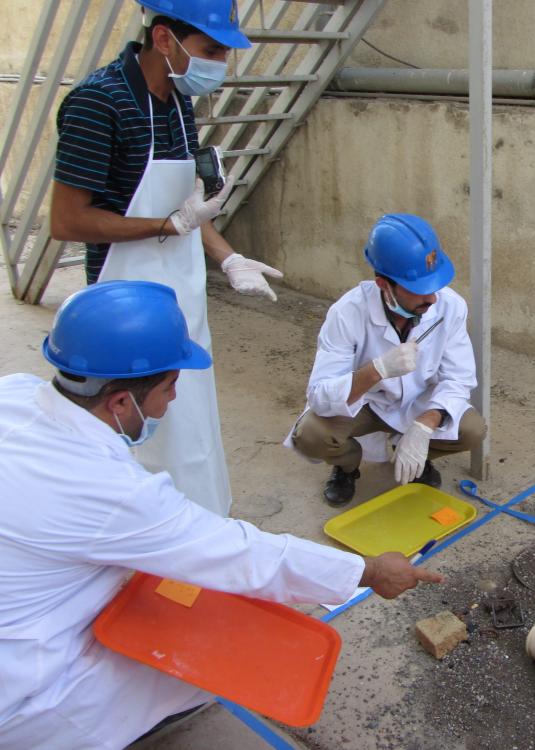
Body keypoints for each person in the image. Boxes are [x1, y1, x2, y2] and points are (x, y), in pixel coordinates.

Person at [0, 281, 441, 749]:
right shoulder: (108, 494)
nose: (171, 401)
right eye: (169, 387)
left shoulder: (14, 394)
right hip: (22, 685)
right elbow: (241, 555)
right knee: (213, 658)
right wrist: (369, 570)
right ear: (121, 402)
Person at [49, 0, 282, 516]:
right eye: (212, 50)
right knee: (136, 424)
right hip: (121, 297)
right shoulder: (99, 102)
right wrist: (165, 226)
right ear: (163, 39)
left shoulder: (178, 101)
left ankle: (198, 521)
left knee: (191, 416)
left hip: (182, 290)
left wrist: (228, 257)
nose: (220, 64)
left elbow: (188, 209)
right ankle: (139, 533)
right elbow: (67, 219)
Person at [287, 214, 486, 505]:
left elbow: (459, 378)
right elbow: (320, 395)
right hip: (365, 404)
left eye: (434, 284)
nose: (431, 299)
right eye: (419, 289)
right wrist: (376, 371)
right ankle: (347, 467)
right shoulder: (347, 312)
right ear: (383, 284)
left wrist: (423, 426)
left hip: (418, 402)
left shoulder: (450, 306)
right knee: (311, 436)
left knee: (472, 430)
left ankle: (417, 456)